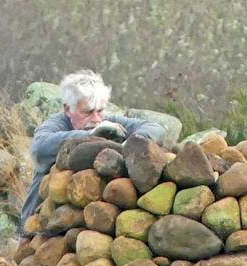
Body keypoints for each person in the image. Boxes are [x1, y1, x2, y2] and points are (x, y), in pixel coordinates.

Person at [20, 69, 166, 227]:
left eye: (100, 110)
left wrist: (130, 144)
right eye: (88, 112)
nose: (96, 119)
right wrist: (90, 135)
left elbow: (156, 128)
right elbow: (39, 149)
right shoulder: (57, 124)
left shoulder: (108, 122)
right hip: (39, 225)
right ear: (68, 109)